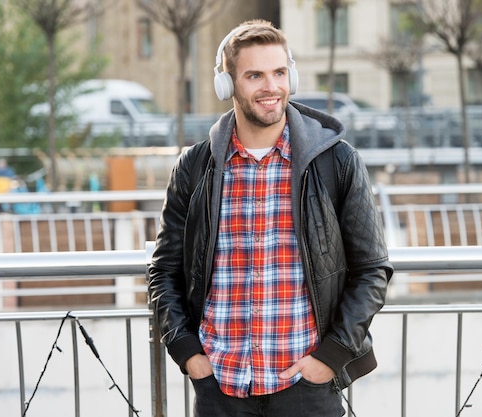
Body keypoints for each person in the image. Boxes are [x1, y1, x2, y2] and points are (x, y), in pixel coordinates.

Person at [148, 19, 393, 417]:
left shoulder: (337, 162)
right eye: (254, 75)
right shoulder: (195, 168)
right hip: (220, 387)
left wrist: (331, 358)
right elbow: (164, 270)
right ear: (226, 85)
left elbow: (372, 270)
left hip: (306, 385)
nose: (271, 87)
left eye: (279, 72)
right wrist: (189, 353)